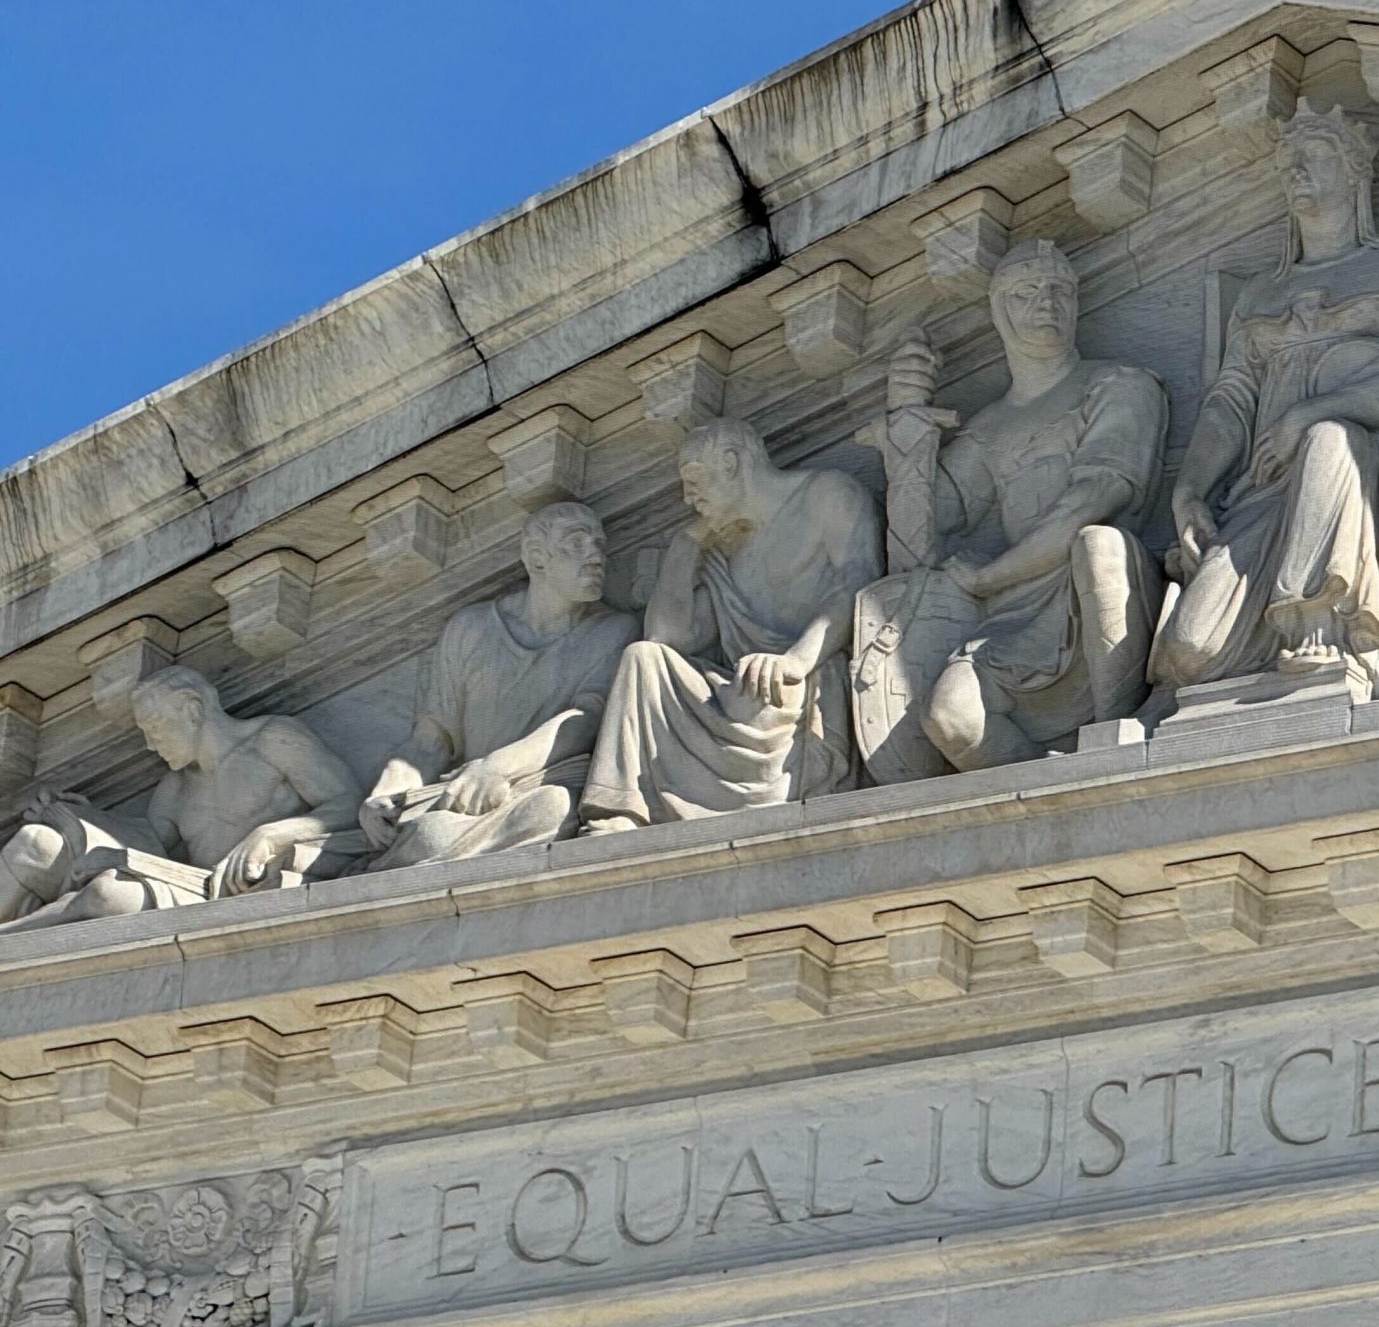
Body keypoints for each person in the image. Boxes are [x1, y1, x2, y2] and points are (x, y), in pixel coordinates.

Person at [1148, 102, 1379, 688]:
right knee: (1189, 651)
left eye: (1314, 156)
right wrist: (1190, 489)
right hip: (1268, 490)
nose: (1296, 171)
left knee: (1329, 439)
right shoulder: (1259, 295)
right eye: (1287, 161)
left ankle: (1321, 628)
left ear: (1355, 171)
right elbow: (1231, 400)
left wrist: (1312, 412)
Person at [851, 240, 1167, 776]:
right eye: (1026, 293)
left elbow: (1095, 500)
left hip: (1093, 591)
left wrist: (990, 575)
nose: (1045, 303)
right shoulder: (989, 429)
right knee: (951, 719)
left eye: (1059, 291)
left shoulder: (1117, 386)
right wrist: (908, 425)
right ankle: (1044, 791)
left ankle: (1115, 742)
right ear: (999, 312)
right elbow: (917, 556)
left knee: (1099, 545)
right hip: (1011, 614)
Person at [581, 420, 881, 830]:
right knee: (642, 658)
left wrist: (794, 660)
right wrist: (684, 547)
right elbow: (666, 637)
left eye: (693, 480)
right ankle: (616, 810)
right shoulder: (727, 550)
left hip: (801, 683)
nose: (688, 498)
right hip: (741, 690)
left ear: (731, 462)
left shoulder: (827, 494)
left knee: (758, 691)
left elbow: (858, 583)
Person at [362, 500, 636, 867]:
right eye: (576, 543)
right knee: (429, 832)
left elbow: (584, 719)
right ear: (537, 558)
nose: (596, 557)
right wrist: (386, 794)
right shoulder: (470, 629)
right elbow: (432, 741)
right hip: (458, 795)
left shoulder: (613, 632)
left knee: (553, 806)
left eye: (599, 546)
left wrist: (497, 768)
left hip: (535, 786)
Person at [0, 665, 359, 930]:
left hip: (236, 892)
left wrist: (270, 835)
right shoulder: (175, 786)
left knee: (109, 895)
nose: (150, 744)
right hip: (190, 885)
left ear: (192, 709)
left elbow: (348, 802)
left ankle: (13, 936)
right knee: (38, 842)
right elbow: (148, 848)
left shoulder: (273, 739)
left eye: (155, 728)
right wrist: (82, 819)